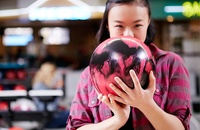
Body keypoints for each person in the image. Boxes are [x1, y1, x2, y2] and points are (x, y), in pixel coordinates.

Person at [66, 0, 191, 130]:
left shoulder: (170, 64)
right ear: (108, 26)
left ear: (148, 23)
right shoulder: (90, 73)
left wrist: (146, 104)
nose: (128, 34)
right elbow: (76, 127)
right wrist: (117, 120)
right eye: (119, 26)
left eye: (137, 25)